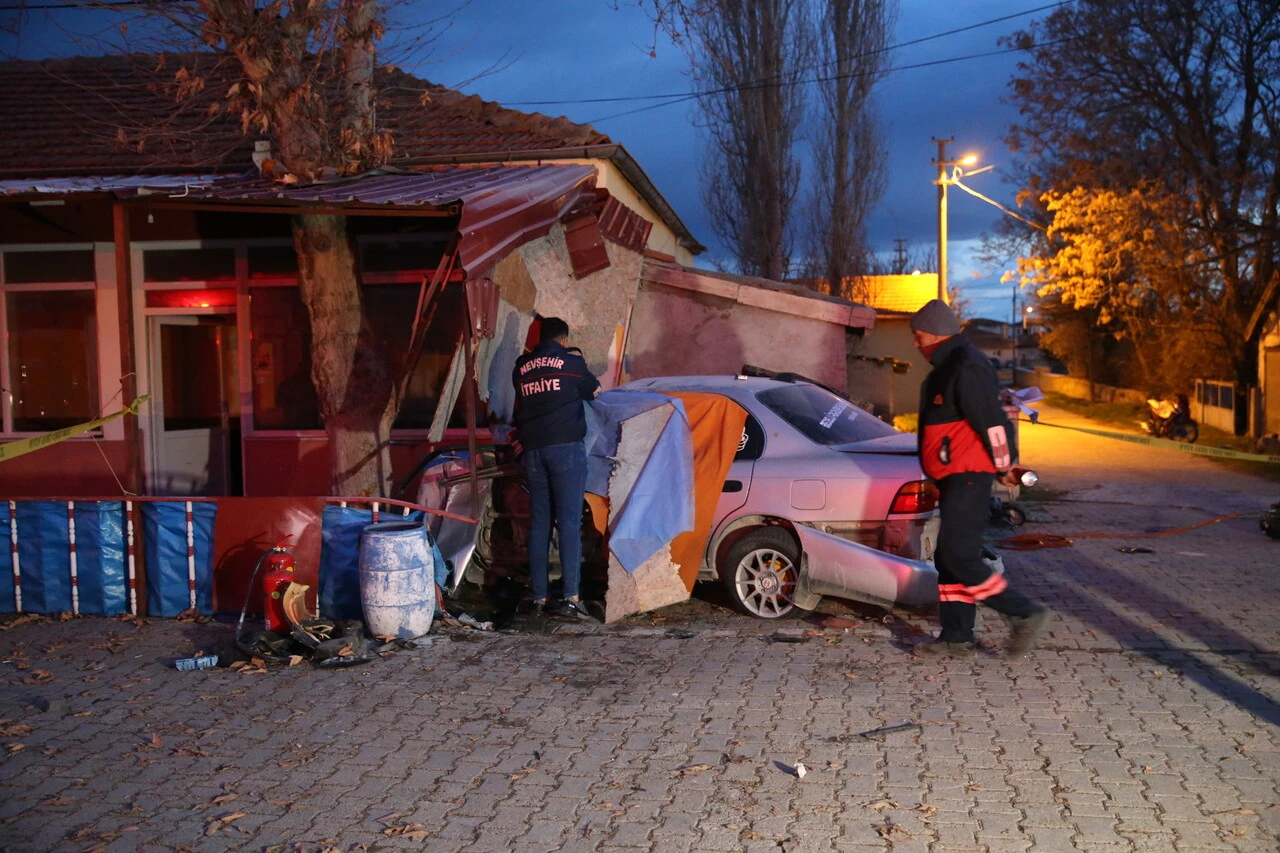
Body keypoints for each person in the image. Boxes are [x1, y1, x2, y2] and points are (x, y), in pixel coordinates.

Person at [909, 299, 1051, 657]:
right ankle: (956, 637)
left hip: (969, 476)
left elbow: (992, 422)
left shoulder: (966, 365)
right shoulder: (948, 367)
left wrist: (1005, 467)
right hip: (954, 477)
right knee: (948, 558)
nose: (915, 343)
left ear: (935, 333)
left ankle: (1023, 613)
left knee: (960, 557)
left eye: (918, 335)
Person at [511, 317, 601, 619]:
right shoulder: (572, 364)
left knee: (540, 523)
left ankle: (539, 596)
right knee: (569, 523)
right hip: (566, 451)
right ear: (564, 340)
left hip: (533, 452)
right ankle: (571, 597)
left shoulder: (521, 368)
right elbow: (595, 392)